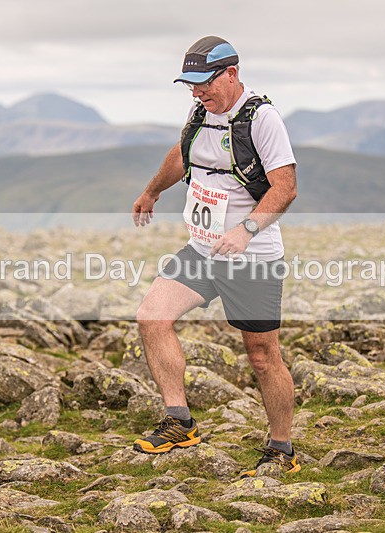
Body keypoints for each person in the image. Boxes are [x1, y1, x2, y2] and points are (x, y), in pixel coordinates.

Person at [131, 36, 299, 478]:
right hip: (203, 249)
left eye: (204, 82)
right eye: (189, 85)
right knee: (152, 316)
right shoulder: (201, 111)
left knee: (263, 356)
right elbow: (182, 155)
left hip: (252, 256)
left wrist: (245, 232)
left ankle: (281, 448)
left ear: (231, 73)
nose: (196, 92)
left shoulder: (262, 119)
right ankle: (179, 421)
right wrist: (152, 191)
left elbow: (286, 188)